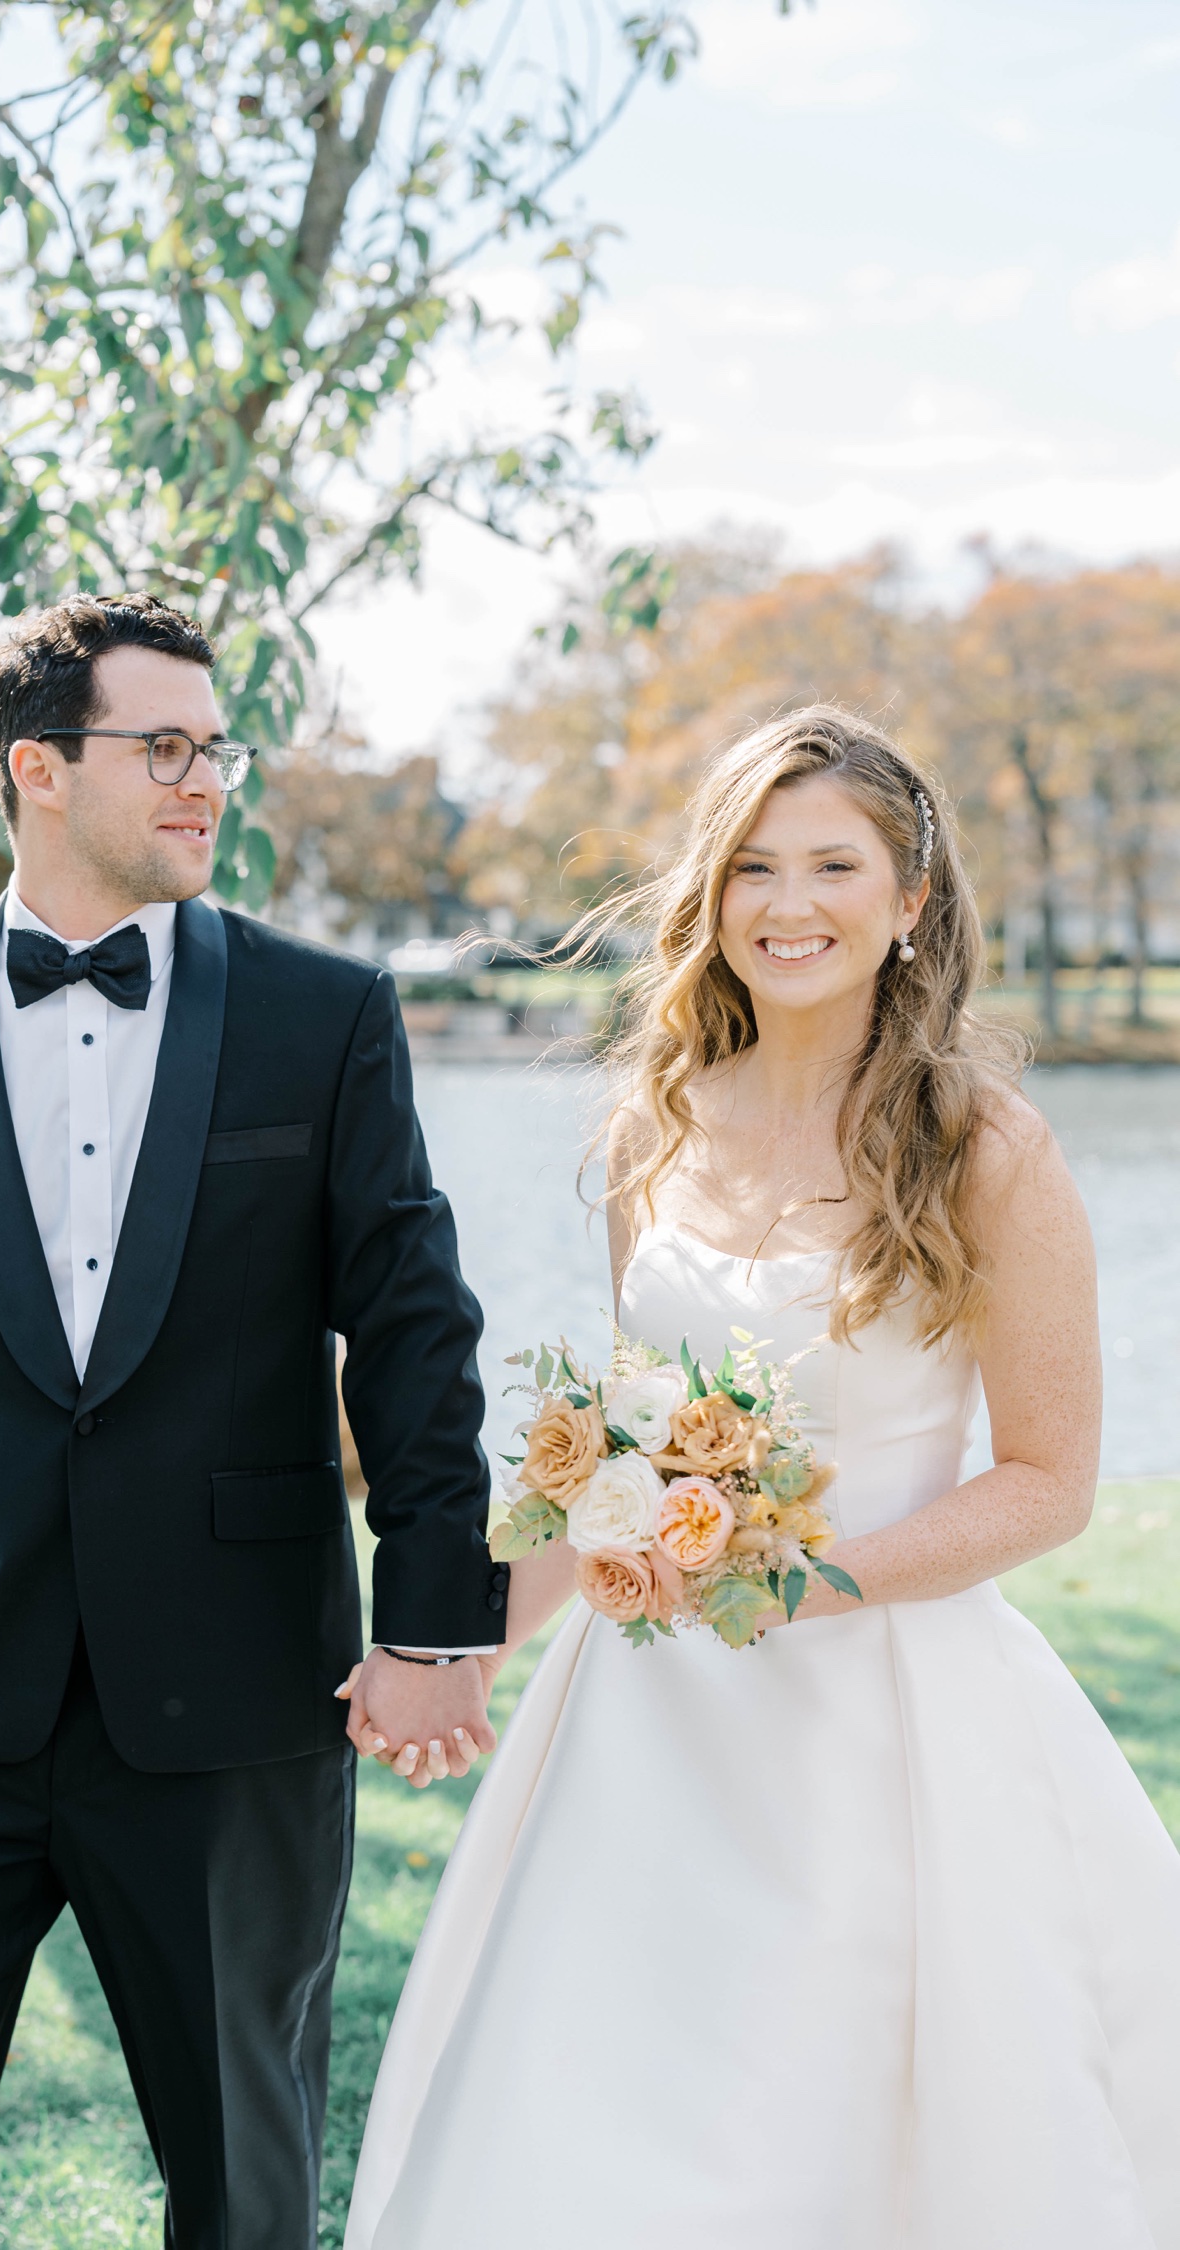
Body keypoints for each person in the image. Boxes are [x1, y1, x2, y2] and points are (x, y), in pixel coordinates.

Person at [345, 705, 1180, 2250]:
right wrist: (459, 1648)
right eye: (752, 866)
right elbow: (627, 1457)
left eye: (833, 865)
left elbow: (1053, 1478)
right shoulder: (657, 1124)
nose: (788, 905)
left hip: (882, 1717)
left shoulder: (986, 1147)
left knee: (838, 2115)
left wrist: (803, 1586)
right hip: (649, 1711)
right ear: (711, 895)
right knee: (607, 2096)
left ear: (911, 898)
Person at [0, 590, 510, 2250]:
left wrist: (437, 1620)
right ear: (36, 767)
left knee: (244, 2183)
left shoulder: (327, 1015)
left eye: (215, 745)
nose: (205, 780)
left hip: (240, 1692)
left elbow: (411, 1329)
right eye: (160, 745)